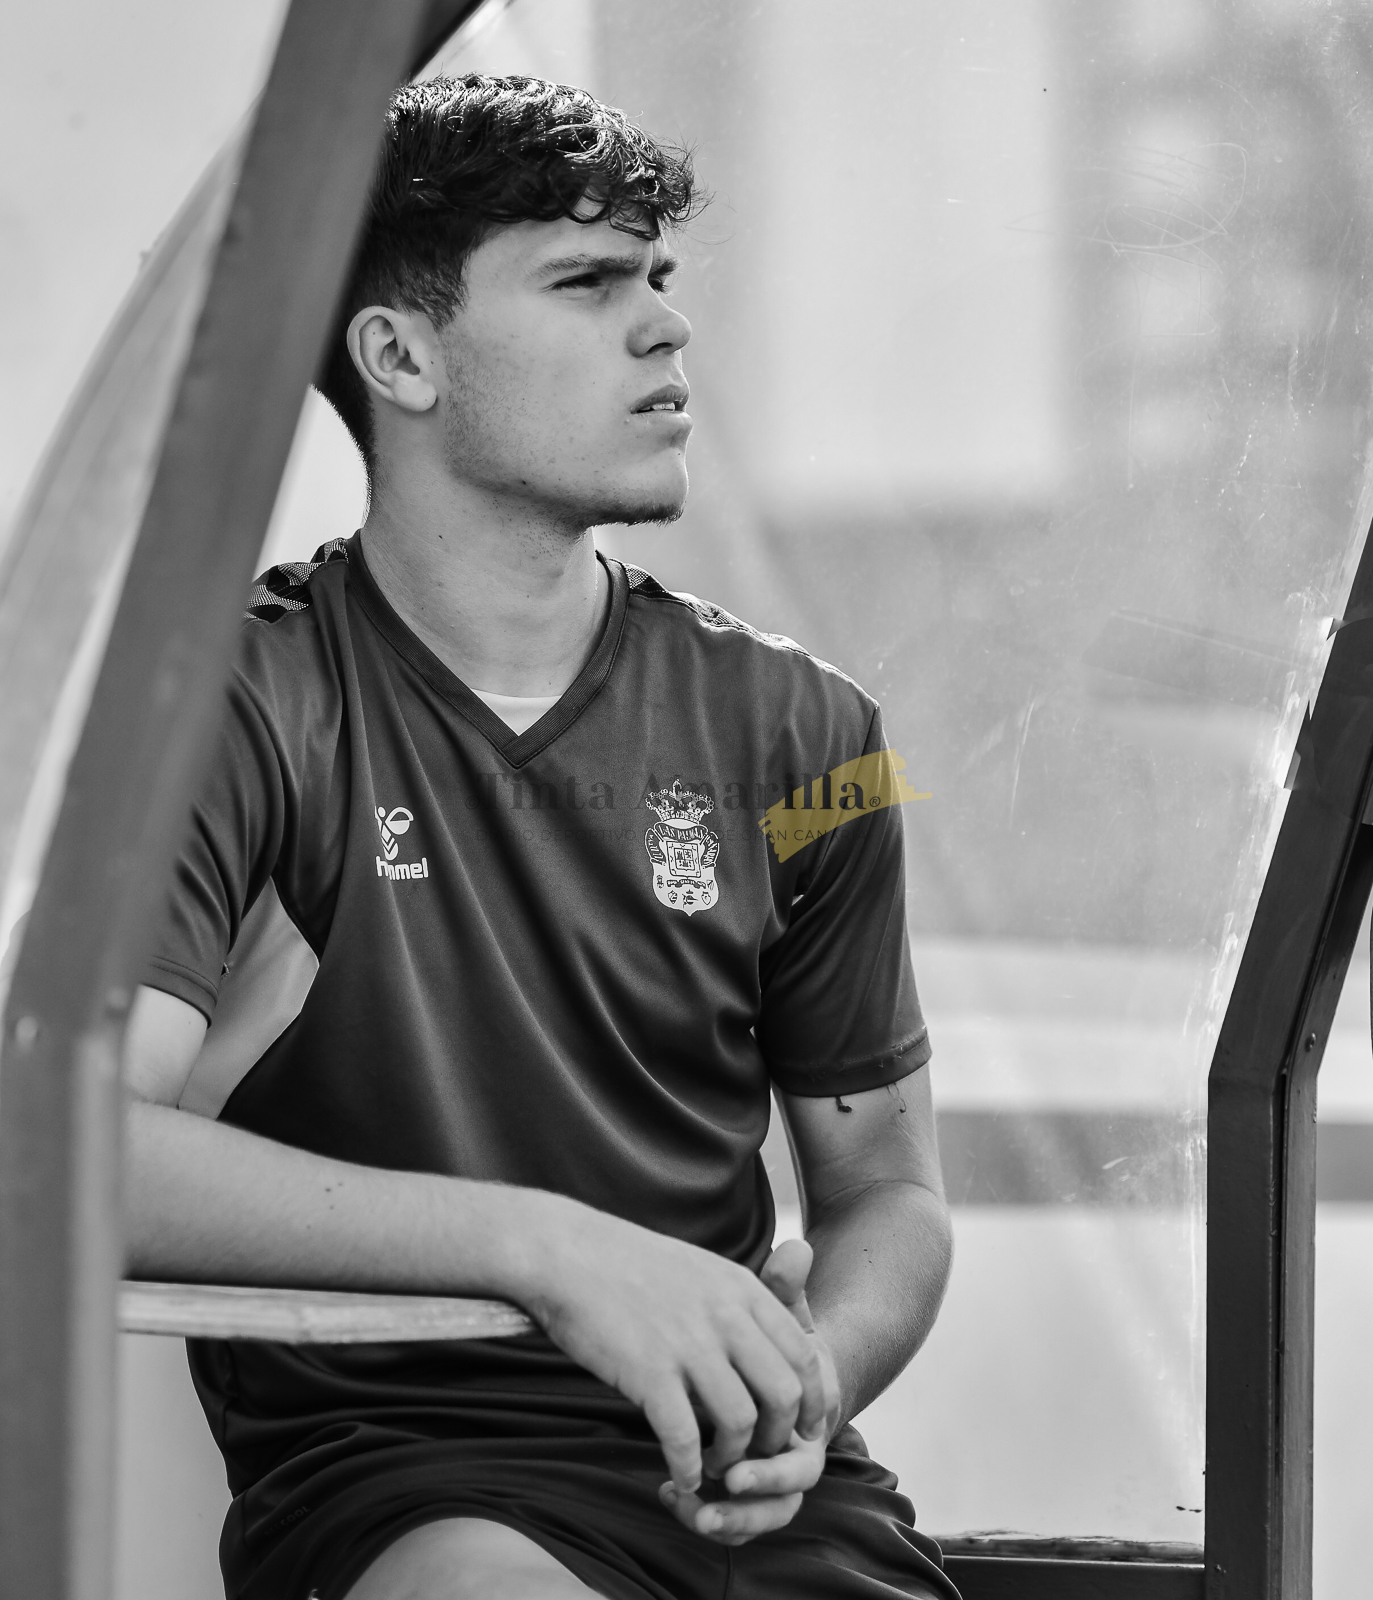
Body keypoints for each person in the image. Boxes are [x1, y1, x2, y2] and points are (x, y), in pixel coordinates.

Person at [123, 73, 957, 1600]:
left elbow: (887, 1194)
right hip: (410, 1479)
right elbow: (64, 1152)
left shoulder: (811, 732)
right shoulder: (231, 708)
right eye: (585, 282)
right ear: (400, 356)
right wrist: (552, 1251)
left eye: (657, 277)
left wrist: (807, 1385)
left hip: (752, 1490)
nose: (665, 327)